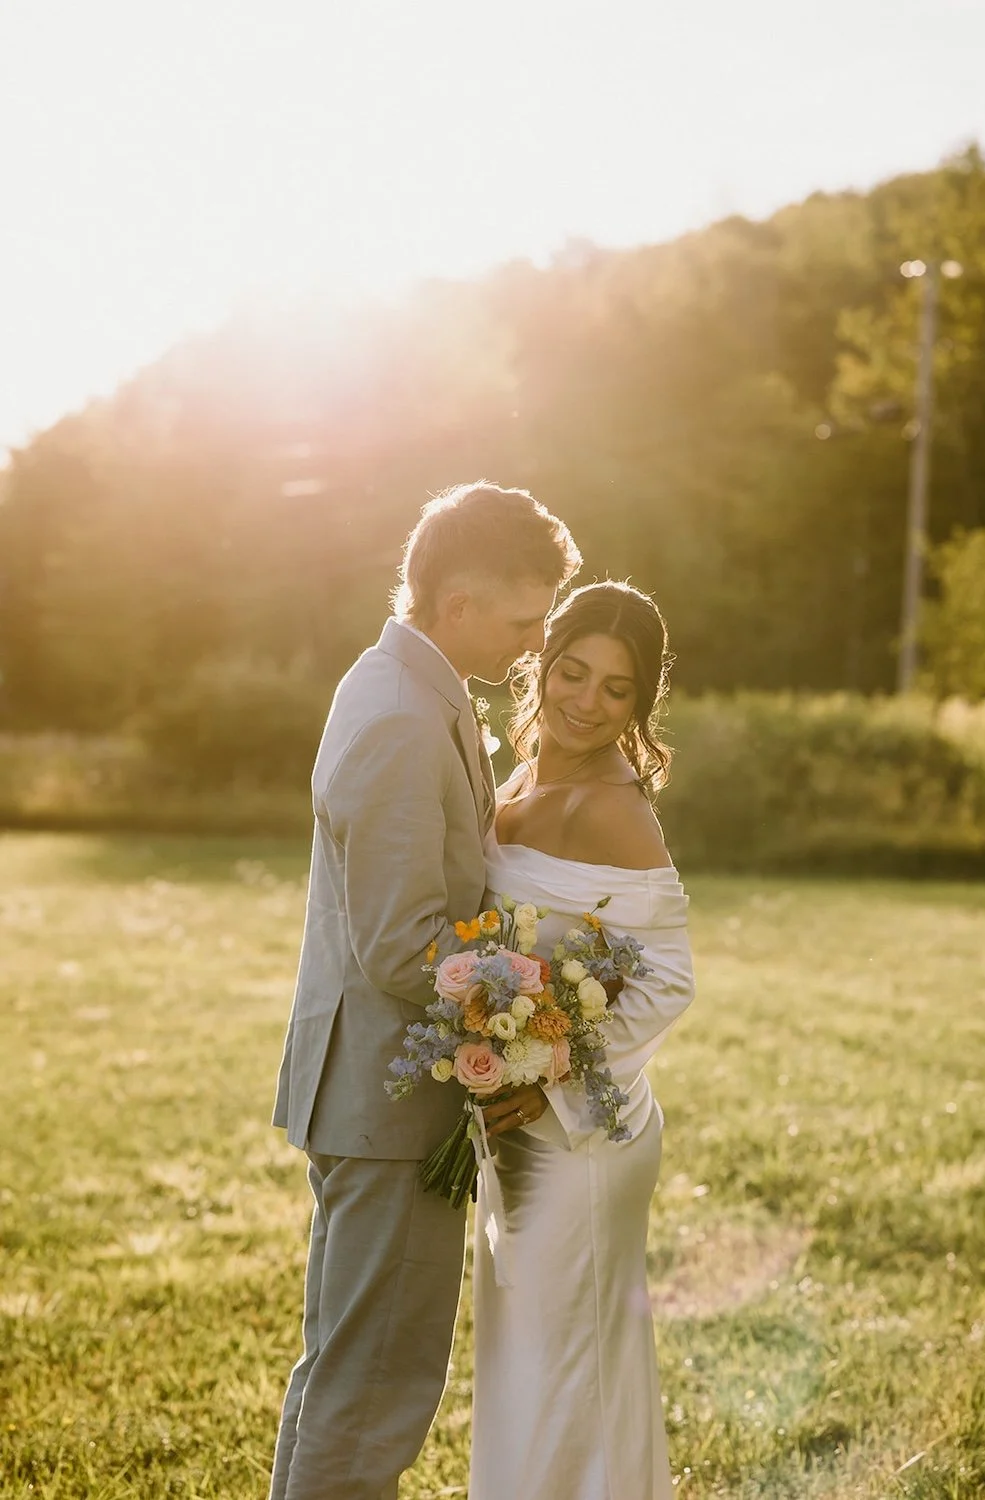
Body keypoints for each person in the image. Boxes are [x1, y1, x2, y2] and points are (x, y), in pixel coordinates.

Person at [268, 482, 581, 1500]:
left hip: (376, 1097)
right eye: (523, 618)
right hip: (387, 1108)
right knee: (371, 1393)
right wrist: (537, 1010)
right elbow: (402, 945)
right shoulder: (404, 716)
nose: (535, 643)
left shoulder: (407, 686)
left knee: (351, 1376)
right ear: (456, 607)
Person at [470, 580, 696, 1500]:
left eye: (618, 690)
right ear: (542, 664)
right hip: (516, 1138)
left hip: (583, 1143)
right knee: (527, 1377)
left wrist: (551, 1067)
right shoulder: (524, 775)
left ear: (641, 704)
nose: (588, 702)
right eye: (574, 673)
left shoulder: (615, 808)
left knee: (571, 1387)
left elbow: (671, 979)